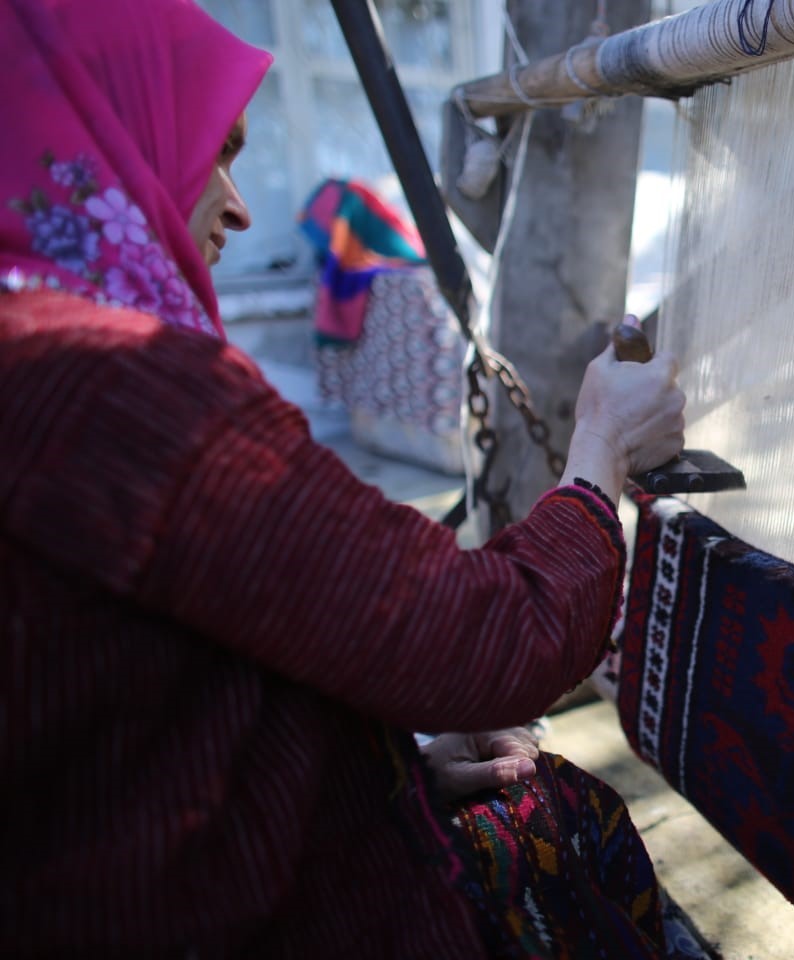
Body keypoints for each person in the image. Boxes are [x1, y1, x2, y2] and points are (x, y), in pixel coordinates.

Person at [0, 0, 686, 956]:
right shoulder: (112, 389)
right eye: (218, 149)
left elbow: (134, 721)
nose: (239, 206)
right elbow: (491, 636)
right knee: (569, 825)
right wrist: (599, 454)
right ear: (103, 139)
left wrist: (382, 777)